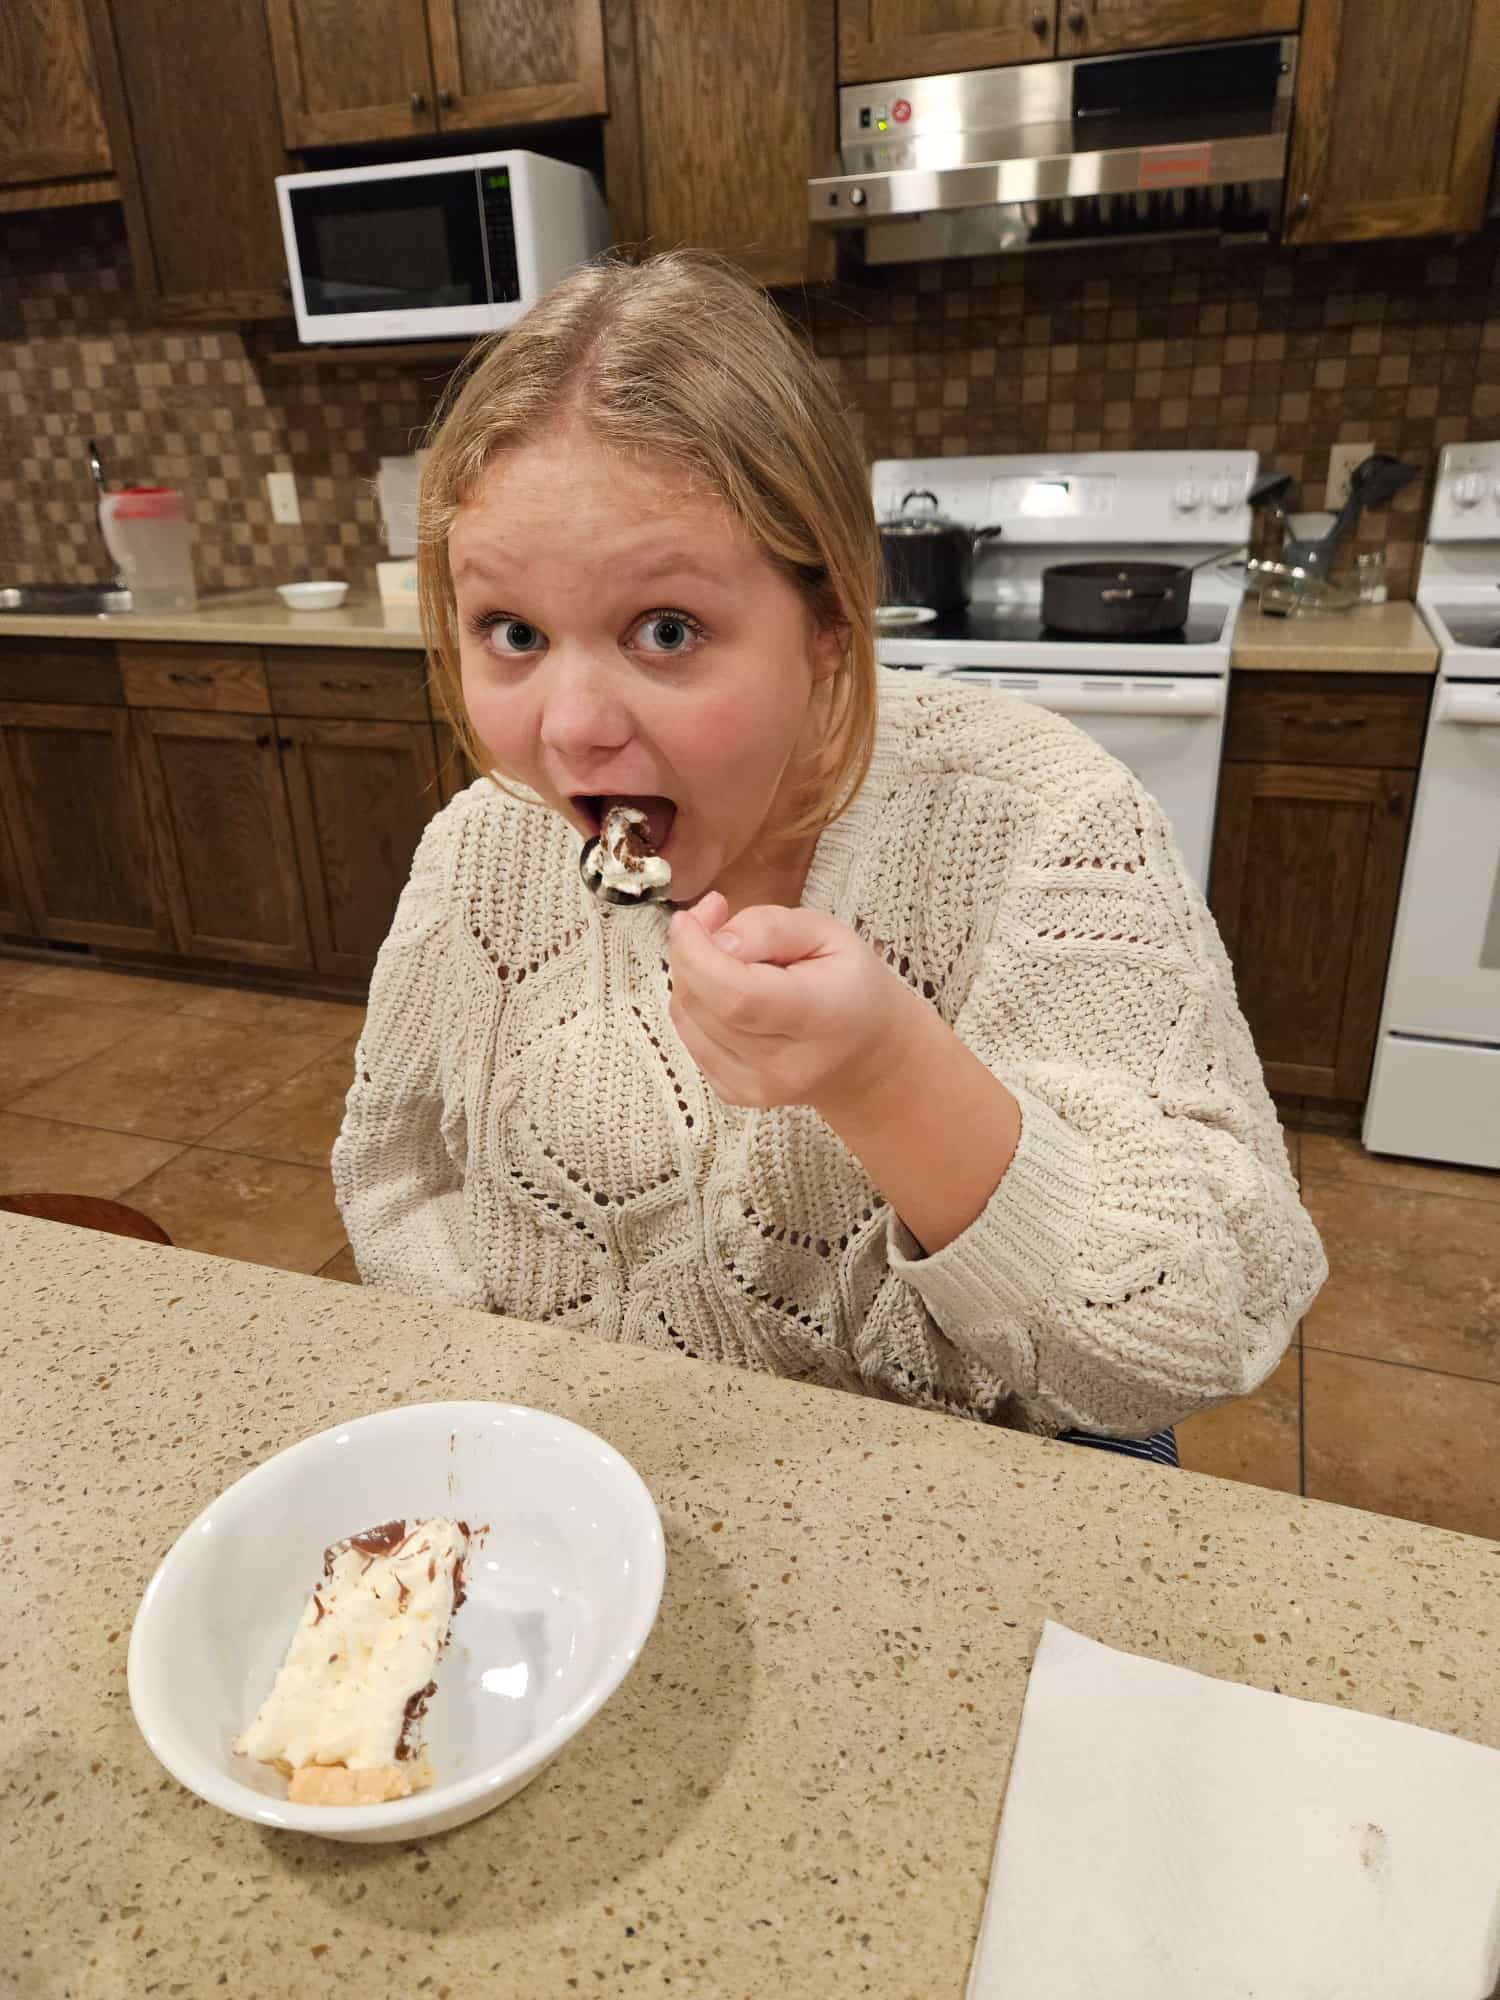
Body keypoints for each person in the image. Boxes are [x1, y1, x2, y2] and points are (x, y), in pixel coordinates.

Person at [331, 249, 1326, 1460]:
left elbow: (1188, 1332)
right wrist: (527, 1438)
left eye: (666, 628)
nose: (571, 725)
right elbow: (401, 1187)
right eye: (513, 631)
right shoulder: (486, 851)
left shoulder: (1042, 824)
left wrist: (888, 1072)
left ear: (826, 631)